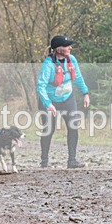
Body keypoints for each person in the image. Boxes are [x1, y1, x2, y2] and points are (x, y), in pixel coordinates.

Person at [37, 35, 90, 169]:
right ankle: (44, 162)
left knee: (73, 126)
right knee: (49, 129)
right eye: (67, 46)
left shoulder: (72, 60)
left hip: (67, 98)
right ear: (59, 49)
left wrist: (85, 93)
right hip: (50, 101)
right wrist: (48, 104)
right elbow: (41, 86)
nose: (70, 47)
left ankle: (72, 161)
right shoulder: (48, 64)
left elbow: (78, 77)